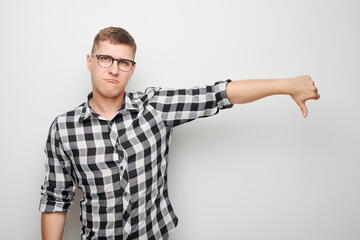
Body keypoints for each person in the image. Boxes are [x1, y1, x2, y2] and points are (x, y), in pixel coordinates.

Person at [39, 26, 320, 240]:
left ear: (132, 69)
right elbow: (55, 200)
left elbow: (217, 94)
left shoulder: (155, 108)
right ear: (90, 60)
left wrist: (286, 85)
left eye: (123, 62)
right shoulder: (64, 128)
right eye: (105, 59)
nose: (114, 70)